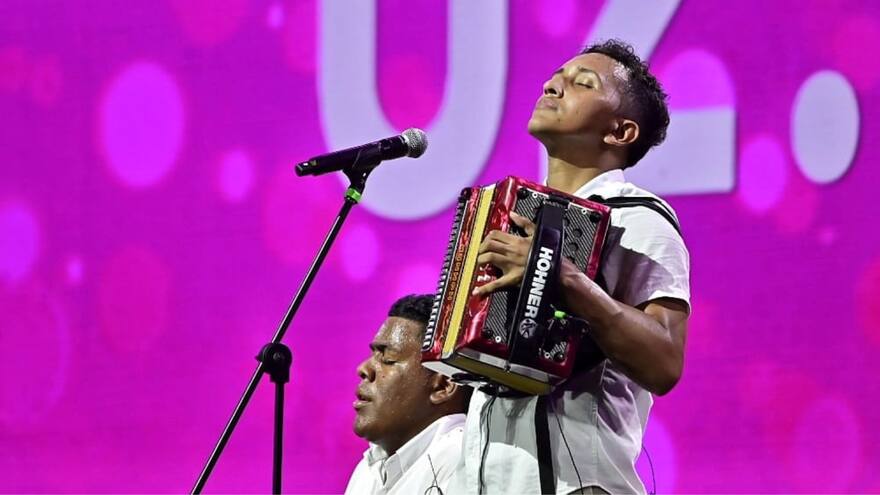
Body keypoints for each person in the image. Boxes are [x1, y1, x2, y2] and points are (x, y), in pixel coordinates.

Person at [450, 39, 691, 494]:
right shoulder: (513, 214)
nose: (553, 85)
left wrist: (559, 276)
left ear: (620, 132)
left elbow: (665, 360)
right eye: (556, 76)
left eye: (582, 83)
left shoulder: (639, 219)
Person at [345, 294, 472, 495]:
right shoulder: (367, 469)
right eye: (373, 354)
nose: (363, 368)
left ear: (443, 385)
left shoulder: (463, 464)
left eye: (388, 358)